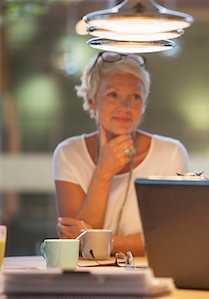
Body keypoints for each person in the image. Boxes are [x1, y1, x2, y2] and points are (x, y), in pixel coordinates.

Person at [53, 51, 189, 256]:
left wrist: (106, 242)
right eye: (113, 95)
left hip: (149, 275)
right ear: (91, 101)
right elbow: (76, 247)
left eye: (135, 96)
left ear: (143, 104)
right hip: (88, 279)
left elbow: (170, 237)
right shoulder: (68, 153)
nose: (125, 107)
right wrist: (103, 172)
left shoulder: (170, 153)